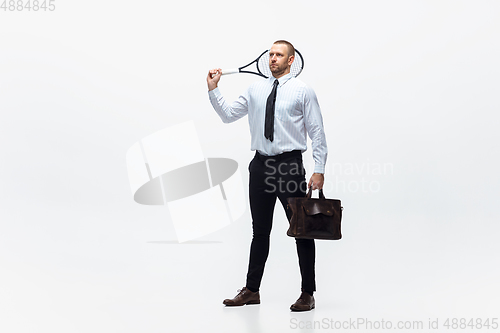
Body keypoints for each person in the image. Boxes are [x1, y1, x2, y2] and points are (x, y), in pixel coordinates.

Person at [206, 40, 327, 311]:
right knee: (259, 232)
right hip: (260, 167)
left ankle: (308, 293)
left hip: (289, 166)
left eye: (279, 55)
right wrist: (214, 90)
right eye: (271, 54)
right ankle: (251, 290)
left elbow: (317, 131)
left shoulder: (302, 91)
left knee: (302, 231)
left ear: (291, 59)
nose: (273, 59)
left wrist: (319, 169)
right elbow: (227, 116)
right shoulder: (255, 89)